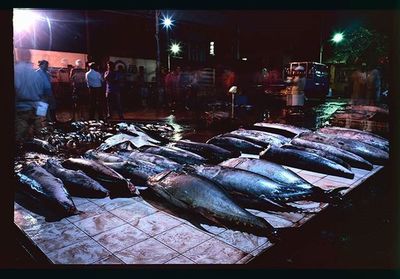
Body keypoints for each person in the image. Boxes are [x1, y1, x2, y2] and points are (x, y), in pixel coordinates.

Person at [14, 48, 47, 151]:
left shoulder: (16, 70)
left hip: (21, 108)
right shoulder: (37, 73)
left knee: (19, 140)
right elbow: (43, 92)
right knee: (40, 138)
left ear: (19, 56)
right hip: (38, 107)